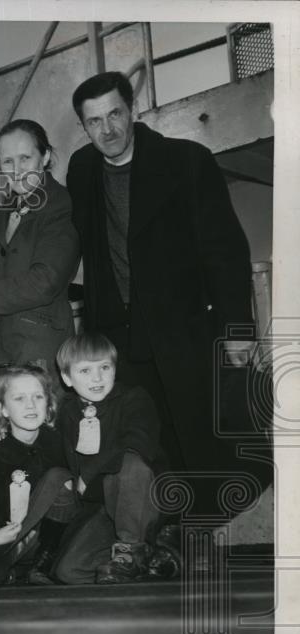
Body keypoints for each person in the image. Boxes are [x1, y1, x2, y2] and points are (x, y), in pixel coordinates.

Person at [65, 71, 261, 495]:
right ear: (83, 126)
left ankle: (220, 531)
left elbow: (225, 251)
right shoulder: (81, 170)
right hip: (119, 336)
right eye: (94, 121)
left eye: (115, 113)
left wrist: (237, 329)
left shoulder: (187, 161)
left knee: (205, 438)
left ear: (132, 110)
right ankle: (165, 540)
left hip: (184, 328)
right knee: (146, 446)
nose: (108, 129)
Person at [0, 119, 80, 398]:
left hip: (38, 353)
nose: (17, 170)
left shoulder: (60, 205)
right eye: (8, 161)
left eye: (25, 158)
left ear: (45, 157)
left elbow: (45, 281)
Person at [52, 333, 164, 584]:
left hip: (140, 498)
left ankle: (132, 548)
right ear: (67, 378)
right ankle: (151, 558)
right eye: (85, 371)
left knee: (129, 462)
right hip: (101, 506)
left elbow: (138, 444)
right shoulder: (67, 412)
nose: (97, 377)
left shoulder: (134, 398)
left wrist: (89, 474)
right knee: (69, 572)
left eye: (104, 367)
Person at [0, 365, 77, 590]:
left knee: (60, 476)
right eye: (19, 398)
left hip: (44, 539)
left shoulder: (58, 443)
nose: (30, 405)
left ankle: (42, 562)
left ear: (48, 404)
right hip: (4, 536)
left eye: (38, 397)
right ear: (3, 409)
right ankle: (15, 567)